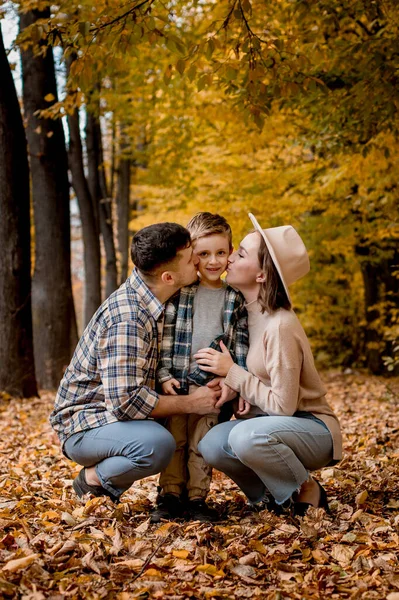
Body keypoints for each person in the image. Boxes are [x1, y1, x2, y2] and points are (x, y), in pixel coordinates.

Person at [50, 222, 221, 504]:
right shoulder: (128, 319)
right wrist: (191, 403)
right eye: (193, 260)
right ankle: (92, 480)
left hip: (109, 417)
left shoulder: (162, 296)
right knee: (156, 445)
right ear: (168, 277)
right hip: (84, 424)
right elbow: (126, 402)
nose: (199, 263)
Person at [196, 213, 342, 516]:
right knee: (211, 444)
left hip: (313, 429)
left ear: (262, 275)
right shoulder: (244, 315)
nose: (231, 257)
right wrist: (239, 392)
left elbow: (284, 406)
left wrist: (232, 372)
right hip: (272, 424)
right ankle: (271, 497)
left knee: (244, 436)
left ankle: (307, 489)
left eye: (242, 253)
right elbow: (259, 382)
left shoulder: (280, 325)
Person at [152, 213, 249, 523]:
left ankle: (197, 498)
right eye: (204, 253)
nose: (213, 261)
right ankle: (169, 495)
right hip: (178, 385)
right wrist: (164, 375)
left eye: (221, 252)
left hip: (211, 388)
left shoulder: (235, 298)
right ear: (192, 254)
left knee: (200, 444)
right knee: (176, 441)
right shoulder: (181, 294)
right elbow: (164, 338)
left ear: (230, 252)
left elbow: (240, 346)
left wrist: (236, 381)